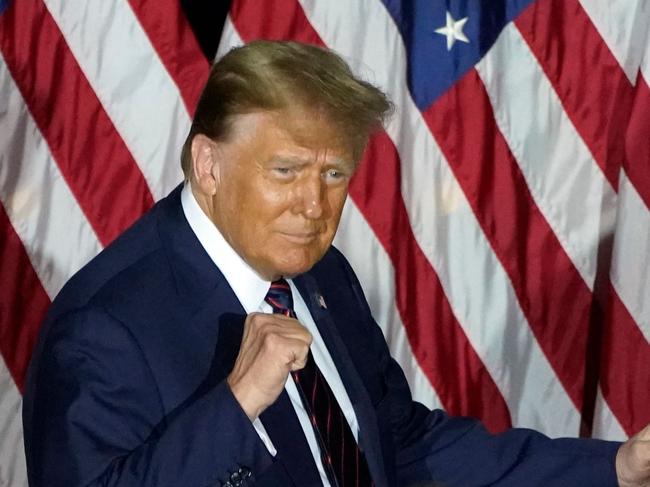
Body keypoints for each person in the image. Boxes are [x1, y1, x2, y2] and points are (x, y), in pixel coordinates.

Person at [22, 40, 650, 487]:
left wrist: (611, 468)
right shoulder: (102, 327)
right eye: (286, 170)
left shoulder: (320, 275)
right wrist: (235, 406)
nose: (314, 205)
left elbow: (398, 444)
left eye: (334, 174)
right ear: (208, 166)